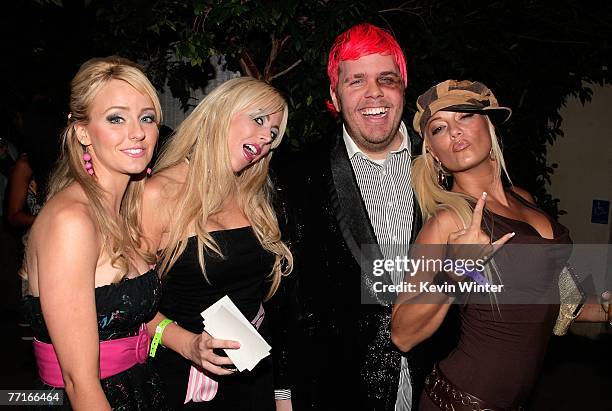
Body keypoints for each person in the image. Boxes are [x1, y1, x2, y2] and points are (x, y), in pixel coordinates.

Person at [390, 79, 610, 410]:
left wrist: (605, 310)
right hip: (459, 402)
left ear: (489, 126)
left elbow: (553, 299)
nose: (454, 131)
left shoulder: (524, 198)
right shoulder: (450, 221)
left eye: (465, 116)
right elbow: (402, 334)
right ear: (433, 152)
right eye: (439, 128)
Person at [279, 23, 447, 410]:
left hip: (434, 386)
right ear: (334, 96)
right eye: (356, 81)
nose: (374, 93)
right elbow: (287, 297)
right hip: (336, 390)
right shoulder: (298, 175)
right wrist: (284, 392)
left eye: (387, 79)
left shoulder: (445, 165)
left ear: (403, 90)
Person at [139, 76, 293, 410]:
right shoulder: (158, 194)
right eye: (259, 119)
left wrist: (282, 393)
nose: (267, 136)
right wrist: (188, 344)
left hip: (254, 376)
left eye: (274, 132)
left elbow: (275, 307)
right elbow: (127, 302)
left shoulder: (255, 198)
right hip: (184, 381)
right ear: (222, 112)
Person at [20, 56, 166, 409]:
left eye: (147, 117)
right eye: (116, 118)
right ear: (82, 131)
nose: (138, 132)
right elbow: (79, 383)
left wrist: (190, 344)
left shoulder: (123, 208)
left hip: (139, 388)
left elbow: (130, 314)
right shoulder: (71, 222)